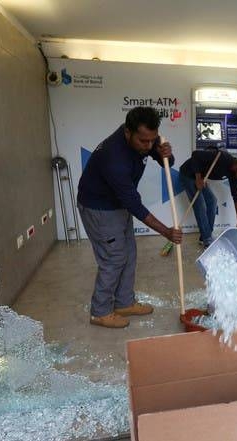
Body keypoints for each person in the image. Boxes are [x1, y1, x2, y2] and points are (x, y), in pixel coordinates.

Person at [77, 106, 182, 328]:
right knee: (113, 258)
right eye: (144, 141)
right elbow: (134, 204)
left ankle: (124, 302)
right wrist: (166, 232)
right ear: (128, 133)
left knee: (129, 254)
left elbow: (165, 162)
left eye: (152, 140)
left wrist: (167, 154)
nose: (148, 145)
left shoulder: (144, 140)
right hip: (99, 208)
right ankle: (100, 311)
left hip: (117, 204)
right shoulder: (114, 159)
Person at [178, 149, 237, 247]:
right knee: (200, 204)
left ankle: (205, 236)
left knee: (212, 201)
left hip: (200, 177)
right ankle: (207, 239)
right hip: (188, 174)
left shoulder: (234, 175)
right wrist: (198, 178)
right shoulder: (223, 158)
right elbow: (195, 155)